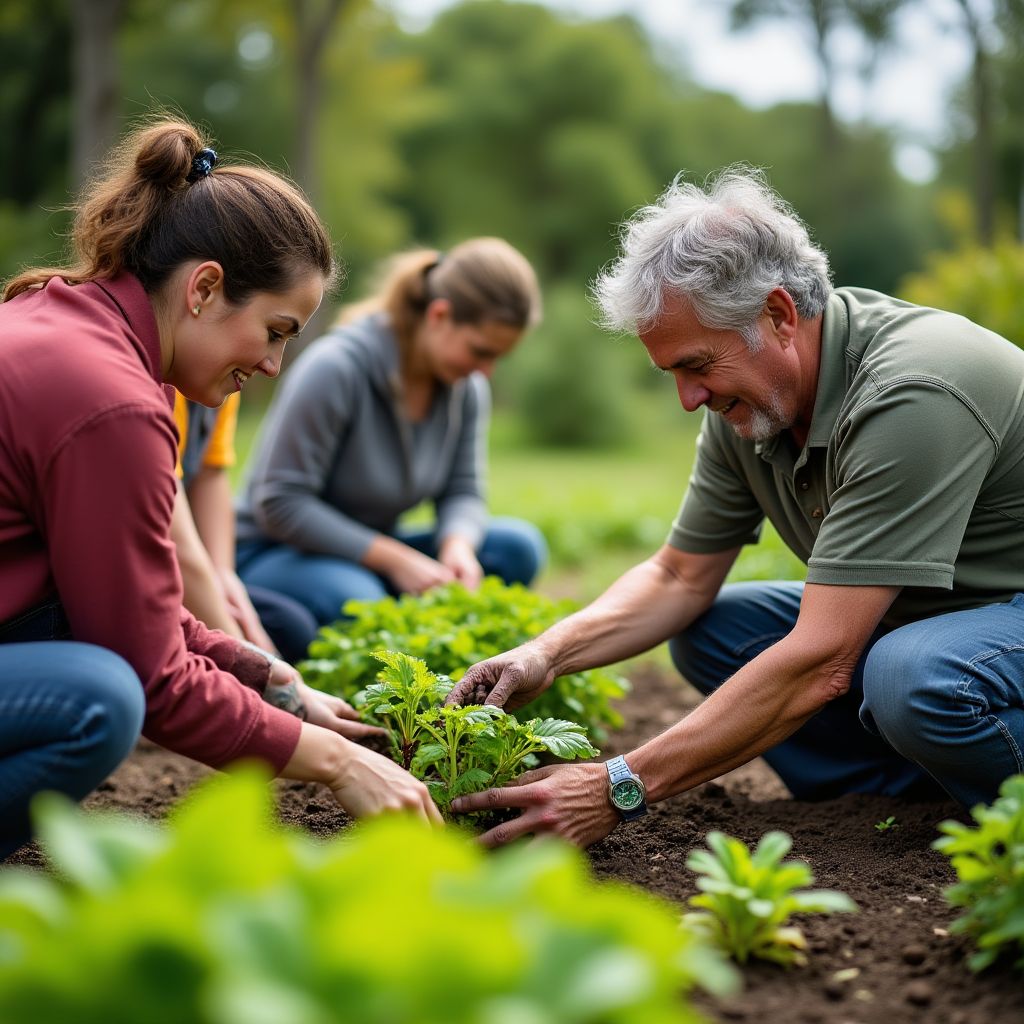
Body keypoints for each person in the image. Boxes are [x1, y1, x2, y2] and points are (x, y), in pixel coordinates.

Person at [447, 166, 1024, 848]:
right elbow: (678, 577)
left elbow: (823, 660)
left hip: (996, 619)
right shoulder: (751, 410)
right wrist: (549, 652)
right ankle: (915, 800)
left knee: (912, 675)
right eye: (672, 375)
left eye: (697, 366)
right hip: (948, 622)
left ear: (778, 315)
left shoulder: (914, 391)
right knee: (715, 629)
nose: (688, 399)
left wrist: (619, 784)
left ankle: (1002, 811)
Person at [0, 117, 439, 859]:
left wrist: (270, 681)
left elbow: (125, 612)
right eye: (275, 330)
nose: (272, 365)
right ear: (204, 288)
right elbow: (151, 677)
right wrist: (336, 763)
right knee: (99, 702)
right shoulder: (113, 404)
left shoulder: (64, 322)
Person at [235, 238, 548, 633]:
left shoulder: (465, 388)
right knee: (366, 601)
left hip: (375, 554)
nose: (486, 370)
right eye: (480, 351)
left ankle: (404, 619)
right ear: (439, 315)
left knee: (518, 547)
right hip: (275, 552)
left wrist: (458, 545)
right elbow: (280, 503)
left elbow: (463, 490)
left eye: (497, 358)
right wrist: (396, 561)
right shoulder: (336, 368)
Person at [171, 390, 319, 663]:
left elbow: (211, 471)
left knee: (290, 628)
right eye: (273, 343)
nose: (272, 369)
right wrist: (255, 666)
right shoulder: (161, 389)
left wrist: (224, 574)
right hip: (158, 576)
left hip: (192, 566)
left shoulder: (223, 383)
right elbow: (180, 548)